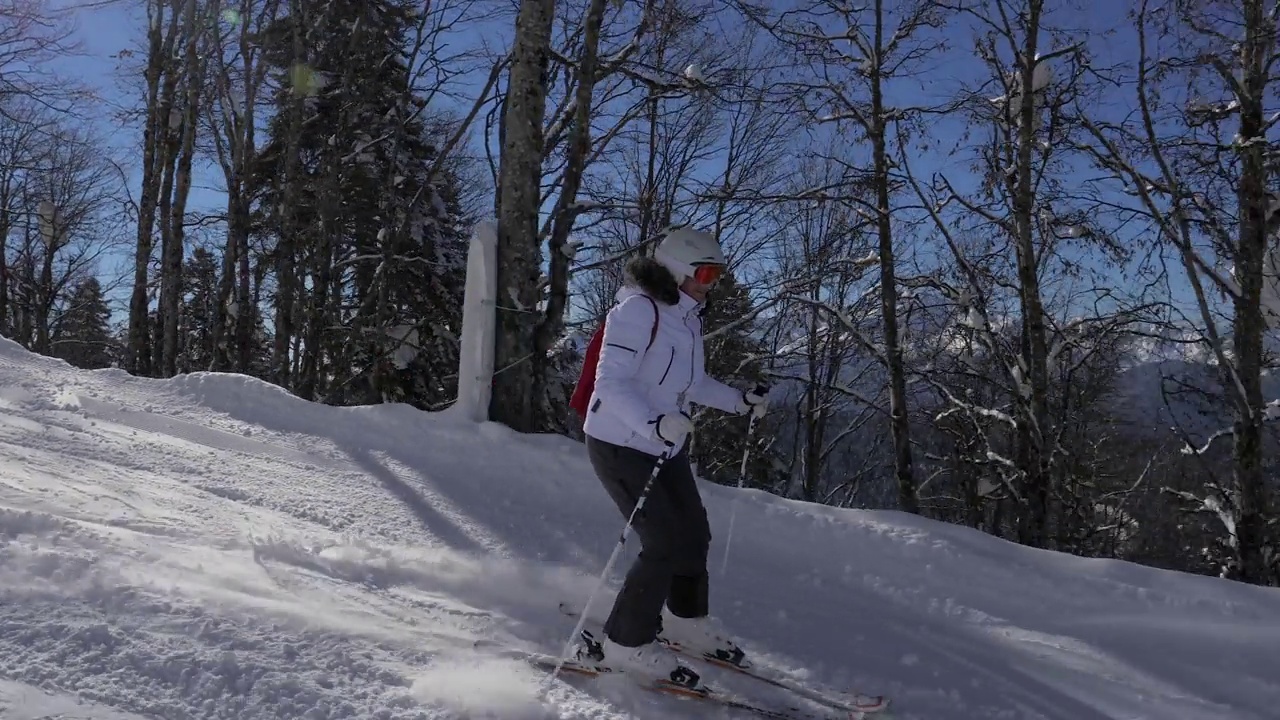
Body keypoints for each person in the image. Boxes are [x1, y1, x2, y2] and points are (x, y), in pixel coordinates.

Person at [580, 226, 769, 686]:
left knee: (692, 532)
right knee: (661, 540)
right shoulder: (636, 311)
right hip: (619, 442)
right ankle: (625, 643)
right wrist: (652, 423)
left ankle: (686, 620)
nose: (711, 283)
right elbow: (610, 384)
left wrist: (738, 401)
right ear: (678, 270)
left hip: (663, 444)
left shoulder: (686, 317)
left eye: (717, 275)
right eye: (704, 272)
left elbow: (692, 383)